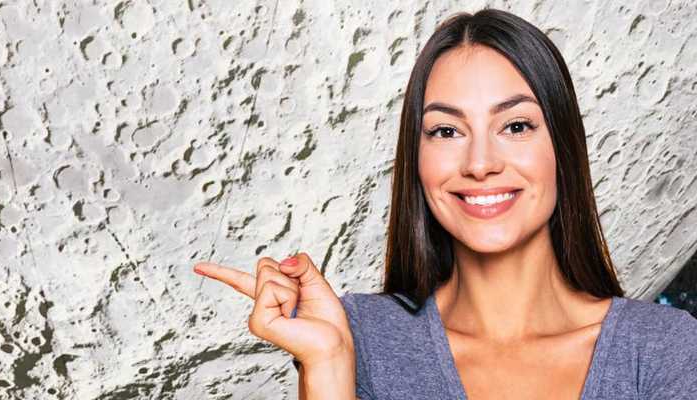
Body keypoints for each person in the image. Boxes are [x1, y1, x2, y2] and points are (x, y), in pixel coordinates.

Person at [193, 8, 697, 399]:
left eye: (516, 126)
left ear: (562, 147)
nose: (480, 163)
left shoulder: (664, 349)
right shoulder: (361, 340)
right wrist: (327, 364)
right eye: (447, 131)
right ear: (417, 158)